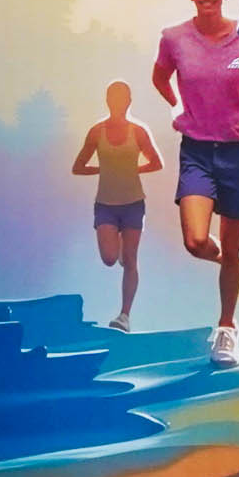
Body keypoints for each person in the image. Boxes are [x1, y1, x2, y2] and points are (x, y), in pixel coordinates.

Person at [150, 0, 239, 369]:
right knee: (197, 241)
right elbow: (160, 77)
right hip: (197, 152)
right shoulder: (174, 38)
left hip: (238, 153)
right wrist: (176, 106)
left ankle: (226, 328)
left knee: (230, 247)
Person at [70, 82, 161, 329]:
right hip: (106, 204)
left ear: (129, 102)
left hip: (133, 203)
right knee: (110, 258)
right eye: (113, 98)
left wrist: (132, 169)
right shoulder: (96, 132)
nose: (118, 103)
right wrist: (104, 169)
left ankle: (124, 316)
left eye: (122, 98)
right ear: (107, 101)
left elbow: (156, 162)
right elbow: (78, 167)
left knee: (130, 260)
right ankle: (118, 246)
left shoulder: (138, 132)